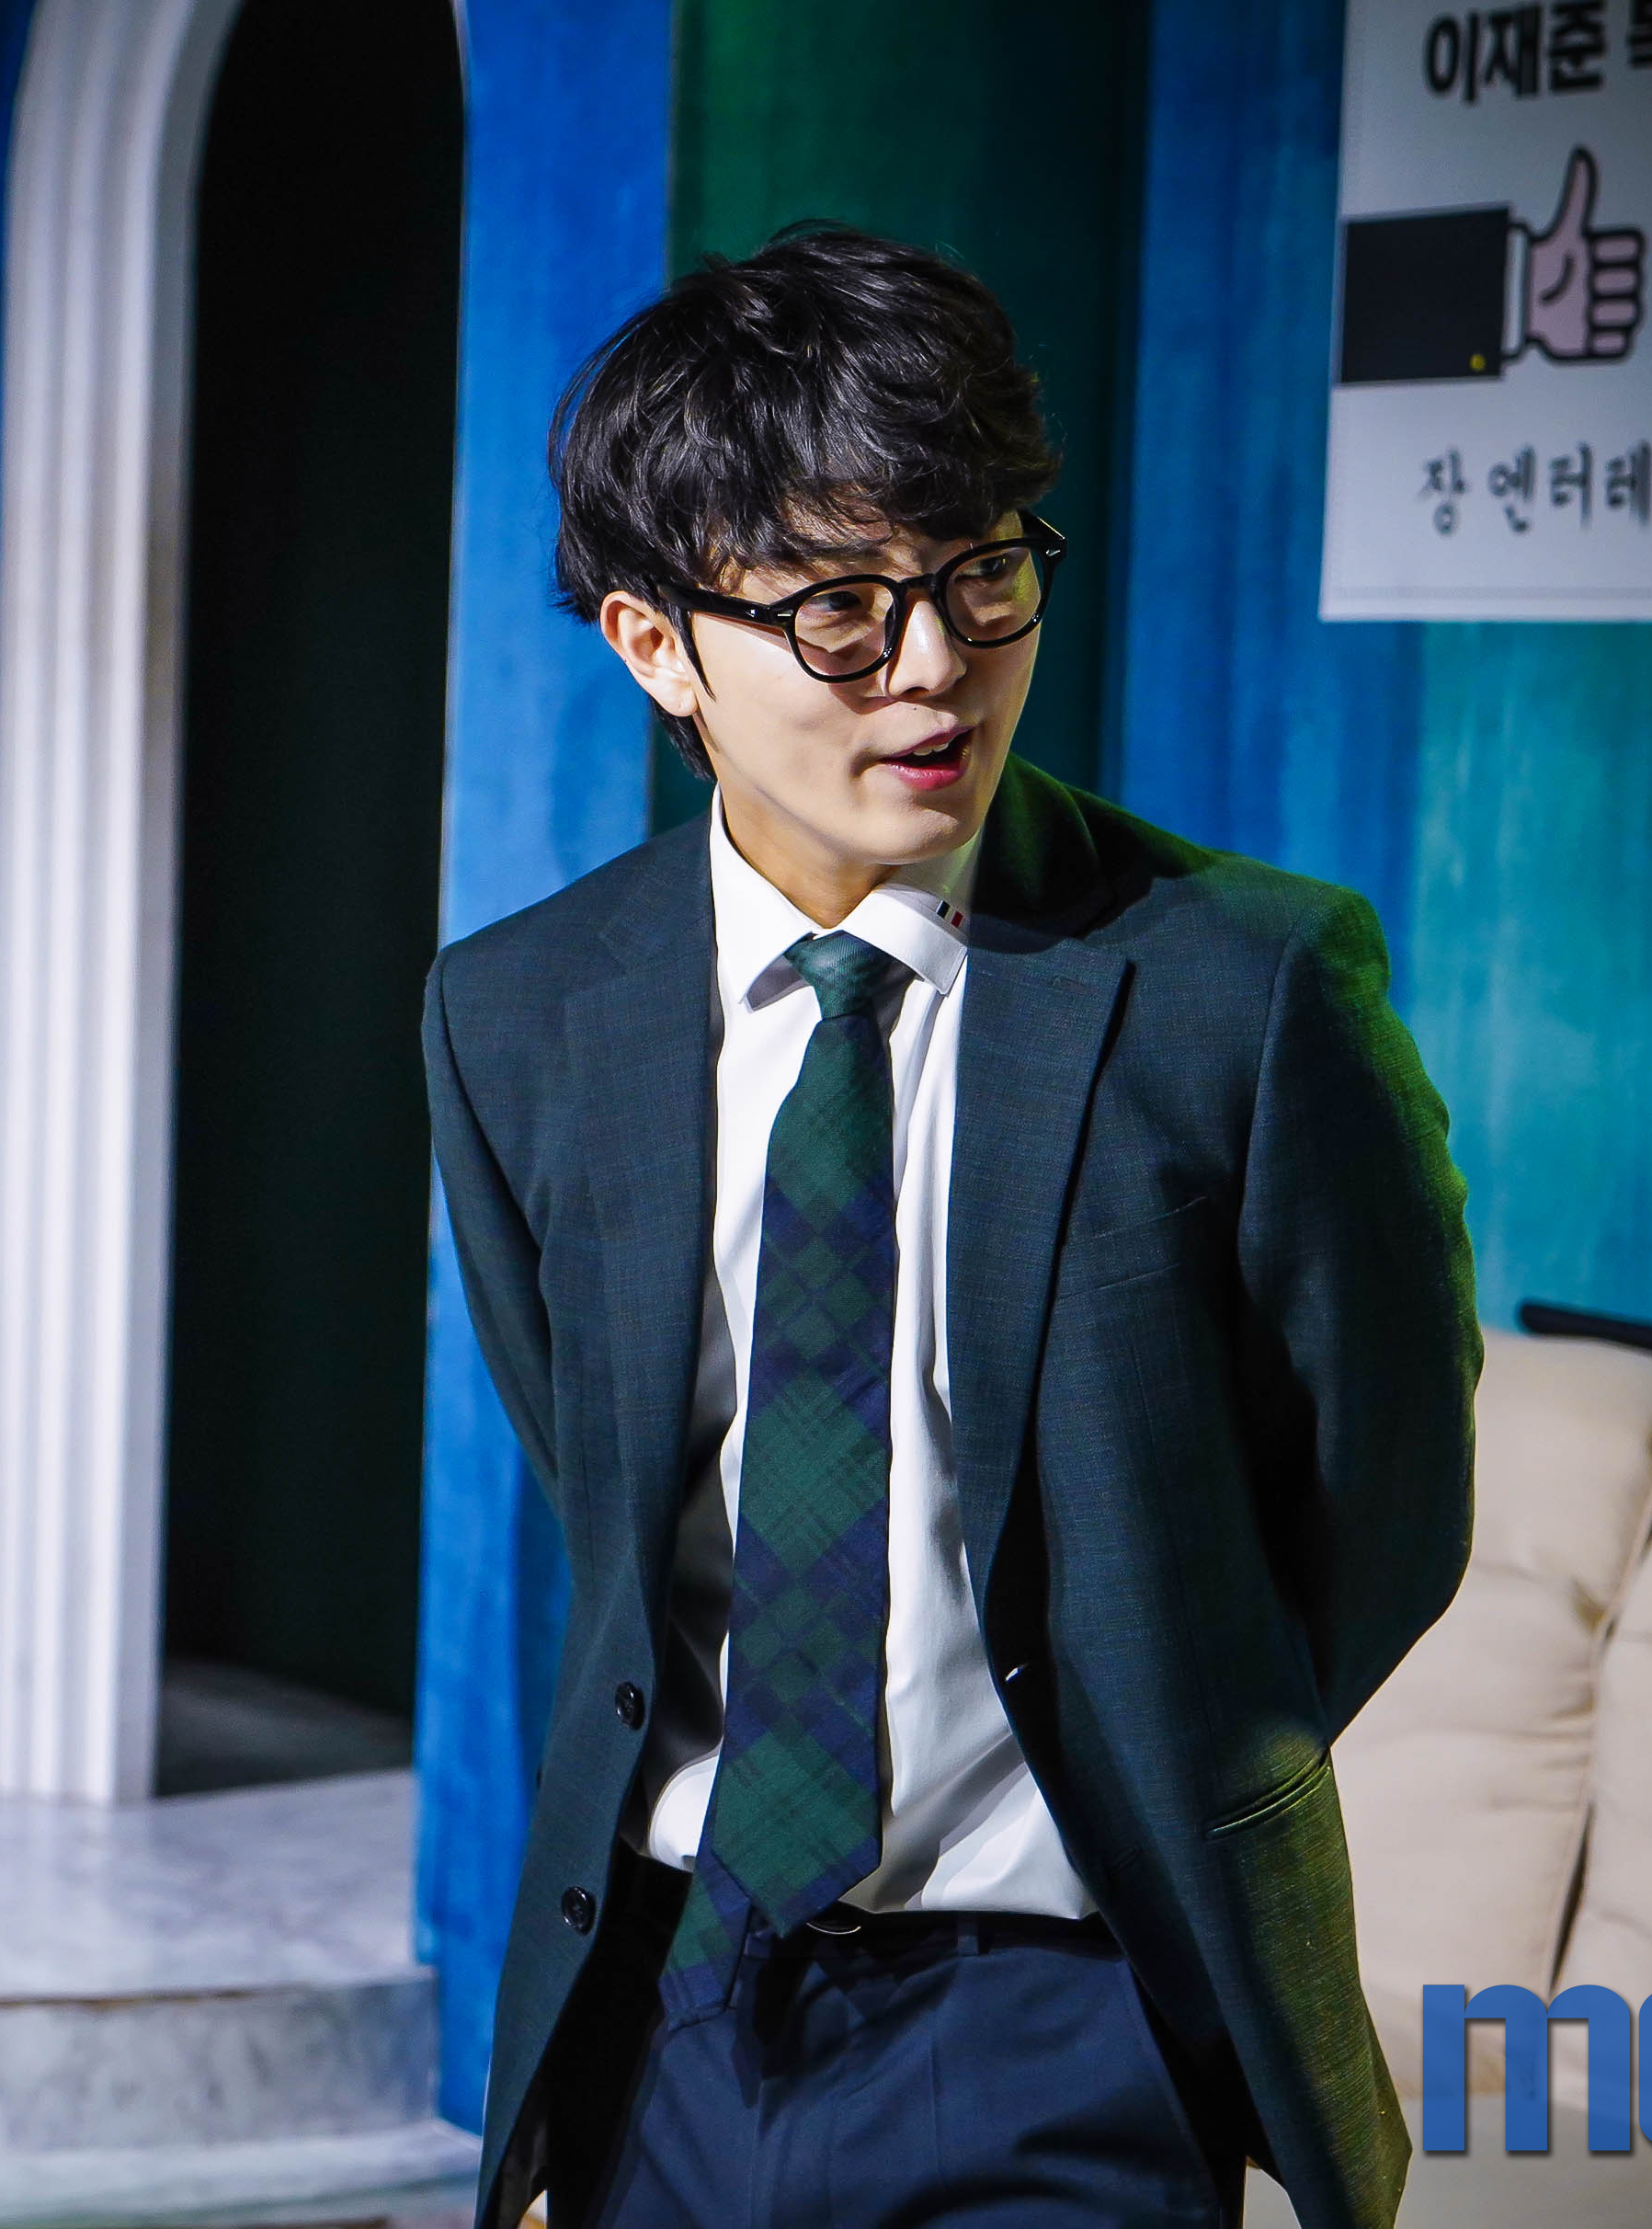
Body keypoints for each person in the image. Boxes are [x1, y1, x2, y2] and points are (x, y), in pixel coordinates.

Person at [422, 228, 1476, 2229]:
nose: (933, 666)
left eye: (982, 573)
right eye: (838, 608)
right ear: (655, 644)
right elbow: (607, 1486)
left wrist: (1149, 1748)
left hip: (1067, 2005)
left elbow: (1384, 1510)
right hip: (673, 1993)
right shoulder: (519, 1015)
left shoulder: (1245, 989)